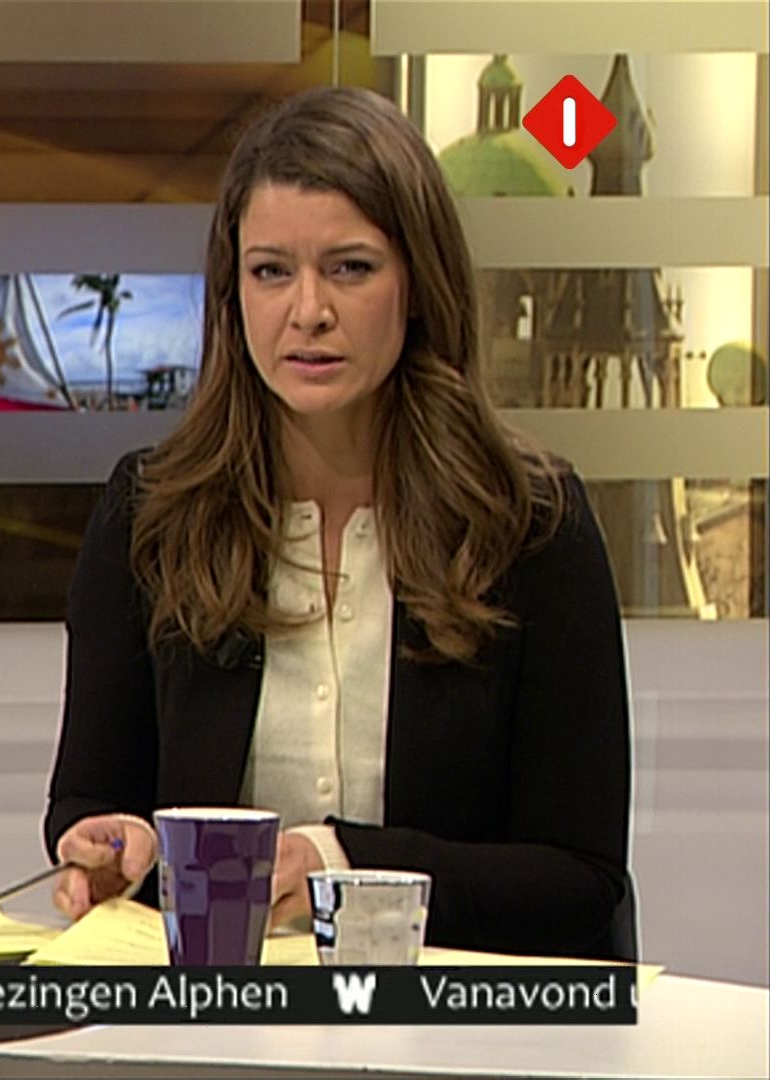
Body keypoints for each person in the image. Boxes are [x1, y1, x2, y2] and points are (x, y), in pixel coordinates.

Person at [44, 86, 633, 961]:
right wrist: (111, 848)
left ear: (419, 284)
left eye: (350, 268)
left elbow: (578, 882)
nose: (308, 310)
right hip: (217, 1018)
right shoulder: (151, 515)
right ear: (233, 293)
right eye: (271, 271)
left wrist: (342, 861)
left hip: (458, 1022)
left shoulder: (531, 524)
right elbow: (92, 801)